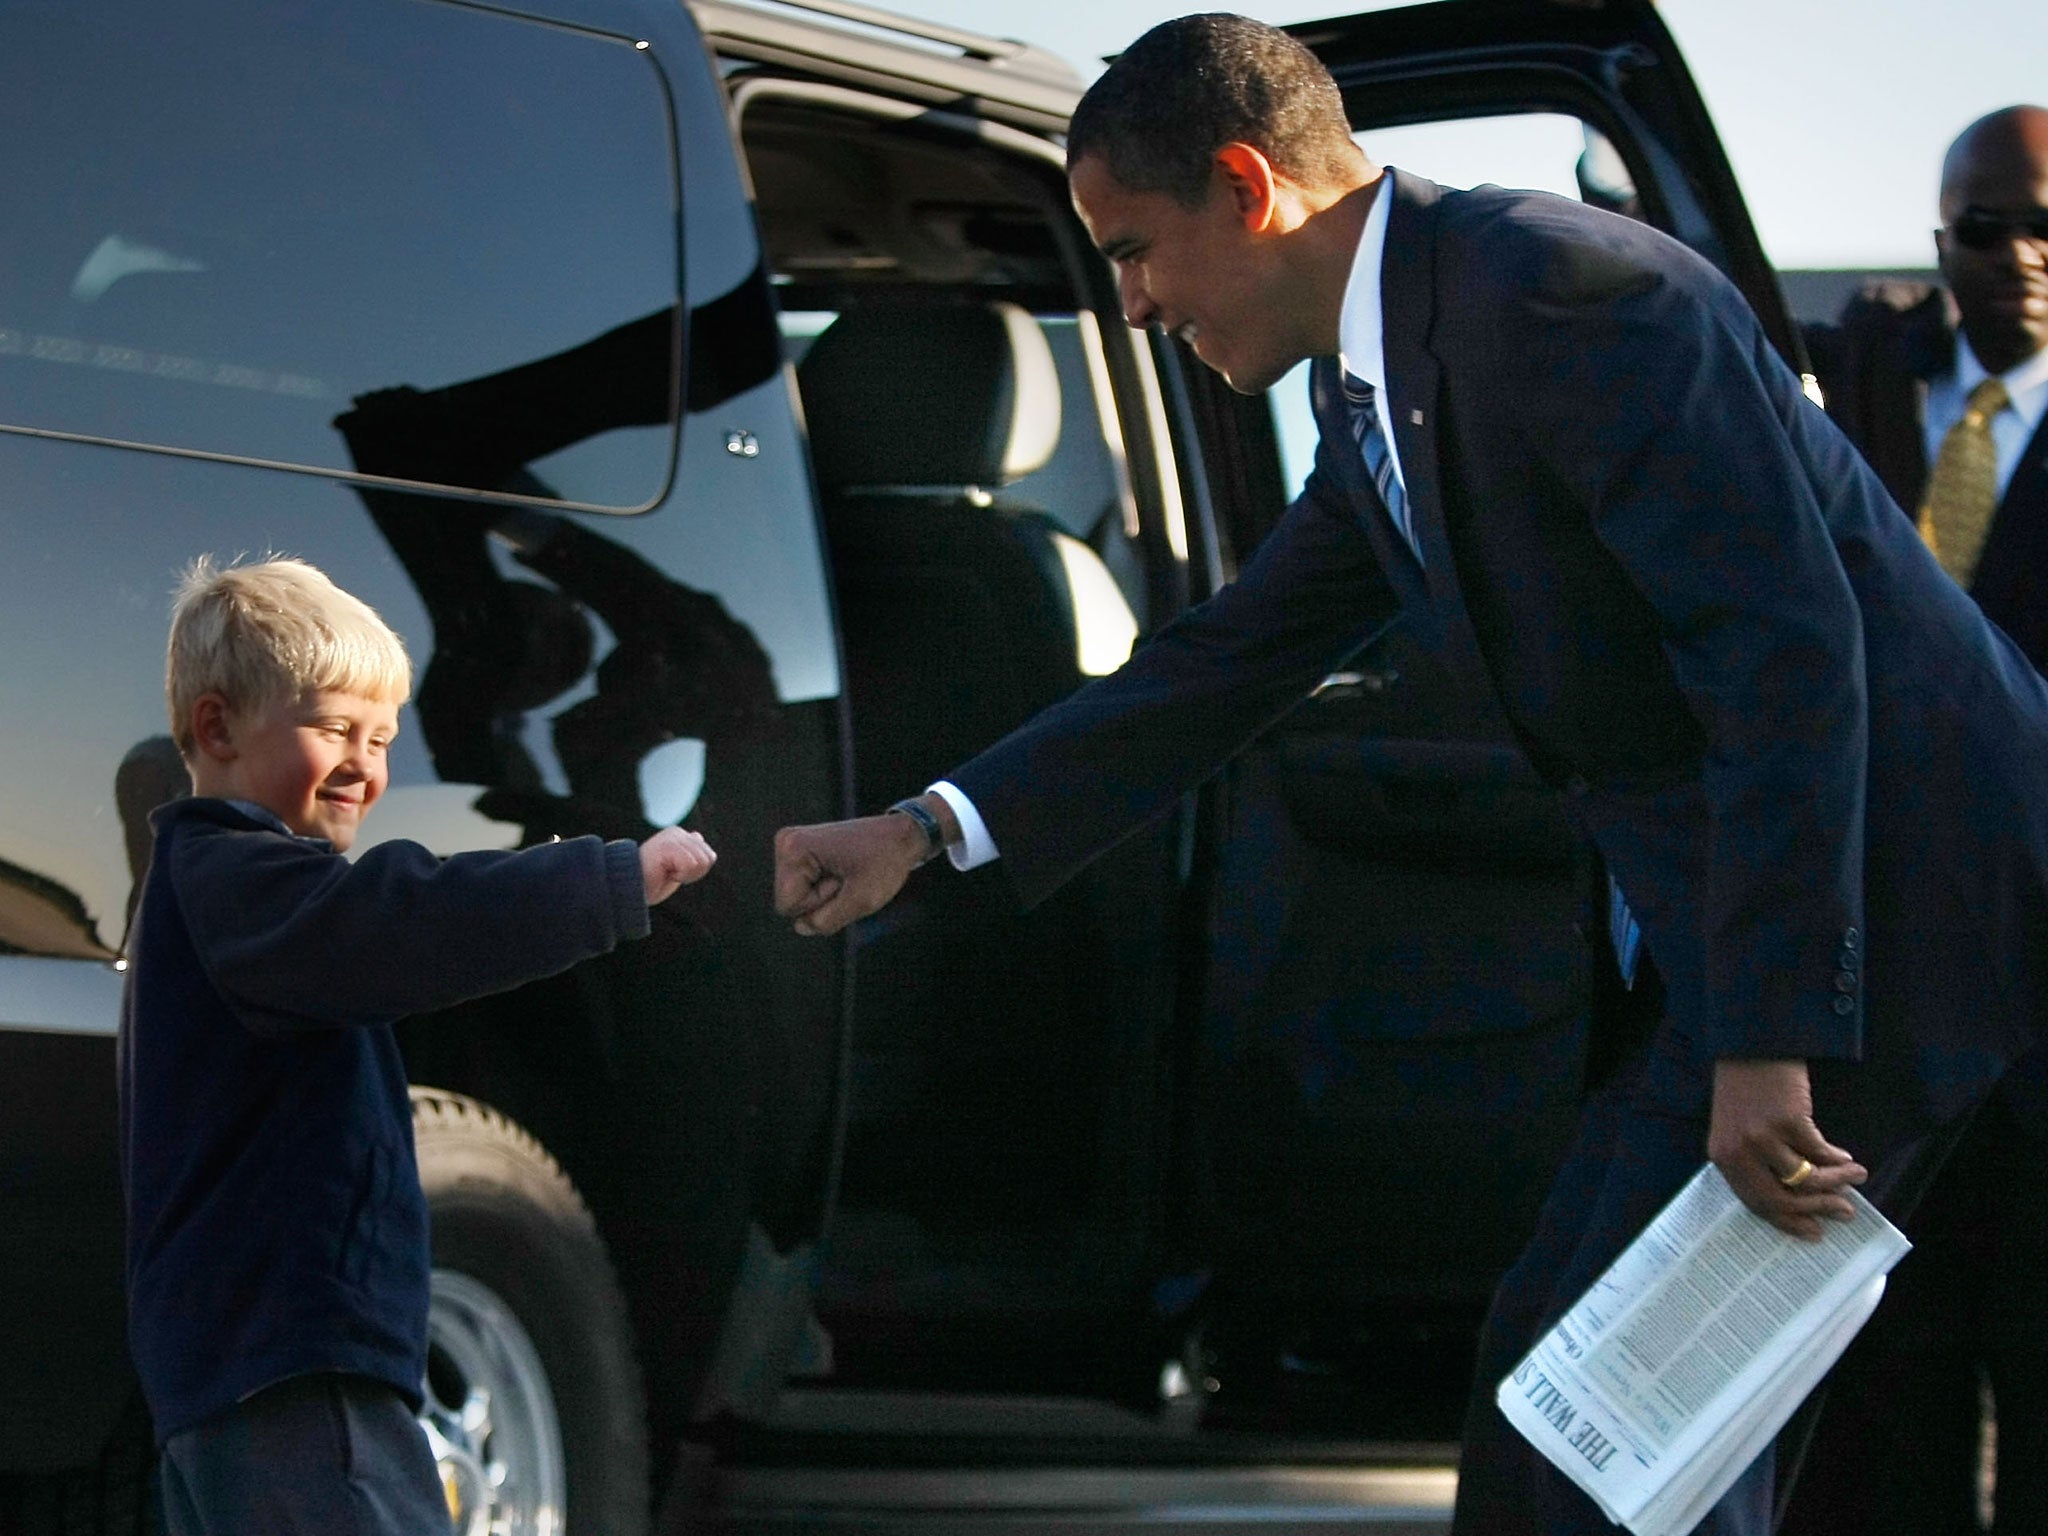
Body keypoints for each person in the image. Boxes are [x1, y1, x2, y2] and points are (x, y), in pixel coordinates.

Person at [771, 15, 2048, 1533]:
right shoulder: (1387, 372)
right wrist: (926, 831)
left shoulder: (1573, 294)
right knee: (1588, 1419)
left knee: (1614, 1442)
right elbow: (1230, 655)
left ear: (1248, 188)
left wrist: (1774, 1039)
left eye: (1132, 253)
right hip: (1775, 944)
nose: (1126, 306)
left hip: (1888, 932)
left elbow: (1785, 657)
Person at [121, 556, 716, 1535]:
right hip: (298, 1371)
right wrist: (605, 883)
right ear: (218, 728)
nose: (366, 763)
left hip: (229, 1379)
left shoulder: (206, 890)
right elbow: (406, 918)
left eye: (382, 738)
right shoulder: (247, 882)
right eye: (333, 730)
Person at [1781, 104, 2048, 1536]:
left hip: (2042, 975)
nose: (2020, 255)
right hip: (1877, 988)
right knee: (1876, 1395)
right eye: (1985, 226)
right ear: (1941, 235)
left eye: (2046, 223)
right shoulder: (1867, 366)